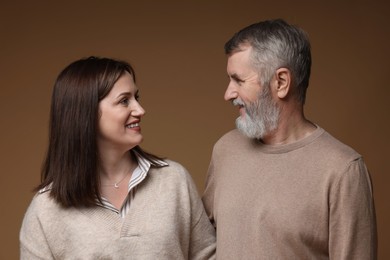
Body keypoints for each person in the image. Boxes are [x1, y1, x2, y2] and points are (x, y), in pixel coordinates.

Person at [202, 19, 377, 259]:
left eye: (239, 80)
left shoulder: (343, 171)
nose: (228, 93)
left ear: (281, 82)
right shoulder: (225, 150)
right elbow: (203, 243)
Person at [20, 56, 216, 259]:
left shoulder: (174, 180)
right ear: (85, 113)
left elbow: (208, 255)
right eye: (124, 101)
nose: (140, 110)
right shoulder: (45, 210)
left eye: (136, 98)